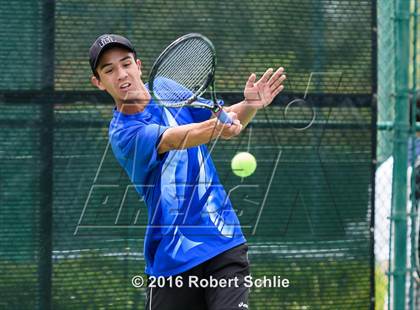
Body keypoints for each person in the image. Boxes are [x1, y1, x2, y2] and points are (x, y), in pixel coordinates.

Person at [89, 34, 286, 310]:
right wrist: (219, 126)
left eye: (126, 64)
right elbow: (178, 137)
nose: (121, 74)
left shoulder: (165, 88)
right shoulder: (124, 133)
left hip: (223, 241)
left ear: (139, 65)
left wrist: (249, 105)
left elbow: (223, 118)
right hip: (172, 261)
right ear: (98, 82)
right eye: (109, 70)